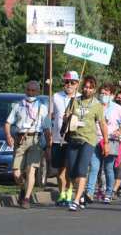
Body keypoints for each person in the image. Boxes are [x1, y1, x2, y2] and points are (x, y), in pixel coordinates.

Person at [64, 76, 109, 211]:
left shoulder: (97, 105)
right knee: (72, 172)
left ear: (94, 89)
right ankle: (82, 194)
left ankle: (76, 200)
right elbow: (66, 117)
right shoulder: (74, 101)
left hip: (88, 141)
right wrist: (67, 117)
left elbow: (102, 124)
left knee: (81, 170)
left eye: (90, 87)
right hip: (73, 138)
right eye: (85, 87)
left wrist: (106, 142)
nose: (87, 89)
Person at [4, 81, 52, 209]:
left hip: (35, 139)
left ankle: (26, 198)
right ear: (26, 90)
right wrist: (8, 136)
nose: (31, 93)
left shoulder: (42, 107)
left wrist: (48, 145)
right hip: (20, 140)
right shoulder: (18, 105)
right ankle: (24, 188)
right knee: (16, 173)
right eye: (29, 90)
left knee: (31, 169)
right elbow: (8, 123)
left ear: (37, 92)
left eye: (33, 90)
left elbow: (47, 128)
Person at [86, 83, 121, 204]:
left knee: (108, 168)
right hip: (95, 139)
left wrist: (120, 130)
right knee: (94, 167)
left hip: (111, 141)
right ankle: (89, 193)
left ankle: (109, 192)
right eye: (101, 93)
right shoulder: (94, 105)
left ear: (111, 95)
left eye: (106, 94)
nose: (103, 95)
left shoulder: (117, 108)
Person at [50, 71, 80, 206]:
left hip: (74, 139)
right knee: (60, 169)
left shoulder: (80, 98)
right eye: (66, 82)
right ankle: (62, 193)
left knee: (71, 169)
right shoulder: (56, 96)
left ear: (77, 84)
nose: (69, 85)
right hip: (58, 138)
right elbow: (49, 115)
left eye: (72, 82)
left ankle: (69, 193)